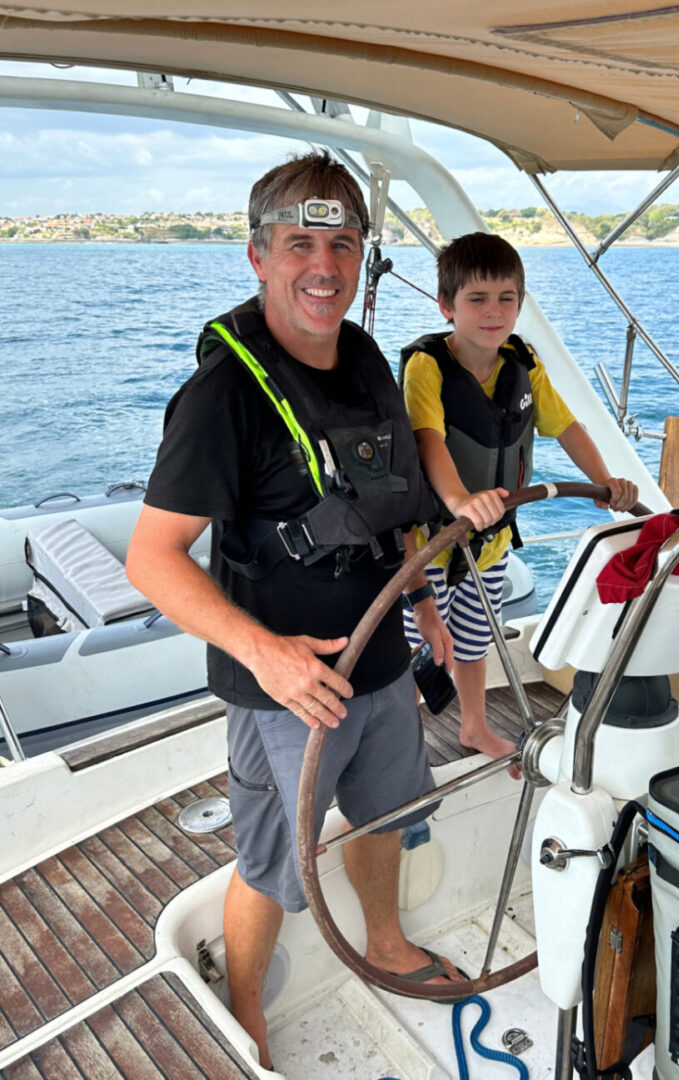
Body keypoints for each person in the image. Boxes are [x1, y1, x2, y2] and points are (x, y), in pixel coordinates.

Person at [125, 151, 489, 1069]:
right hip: (285, 691)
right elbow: (151, 558)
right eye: (298, 244)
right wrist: (270, 657)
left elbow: (396, 507)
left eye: (341, 243)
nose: (322, 267)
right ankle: (244, 1001)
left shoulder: (366, 355)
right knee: (273, 864)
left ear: (362, 254)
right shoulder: (221, 396)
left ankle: (387, 943)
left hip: (381, 661)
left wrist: (428, 612)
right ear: (258, 256)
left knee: (387, 814)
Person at [398, 231, 639, 764]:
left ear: (521, 303)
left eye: (507, 298)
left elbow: (567, 427)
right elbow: (427, 440)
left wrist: (608, 483)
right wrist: (461, 499)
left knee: (475, 642)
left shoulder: (523, 363)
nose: (494, 311)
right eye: (477, 299)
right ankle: (400, 744)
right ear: (446, 307)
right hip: (432, 540)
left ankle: (474, 728)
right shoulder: (427, 367)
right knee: (423, 646)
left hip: (490, 540)